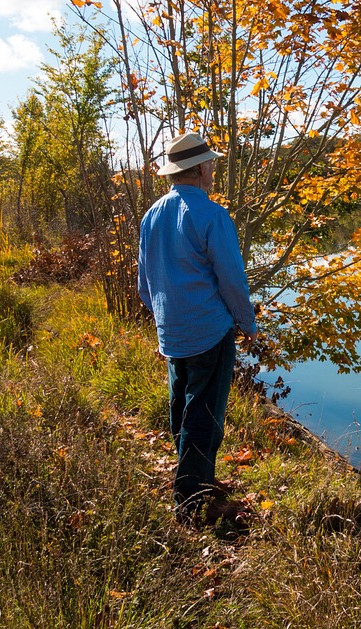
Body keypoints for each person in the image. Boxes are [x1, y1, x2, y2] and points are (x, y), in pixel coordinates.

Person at [137, 131, 258, 525]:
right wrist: (247, 322)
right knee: (204, 416)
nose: (213, 168)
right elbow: (232, 280)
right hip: (209, 333)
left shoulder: (151, 215)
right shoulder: (212, 215)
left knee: (183, 411)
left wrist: (165, 322)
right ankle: (190, 506)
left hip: (173, 334)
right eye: (211, 163)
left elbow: (145, 284)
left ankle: (200, 481)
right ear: (201, 168)